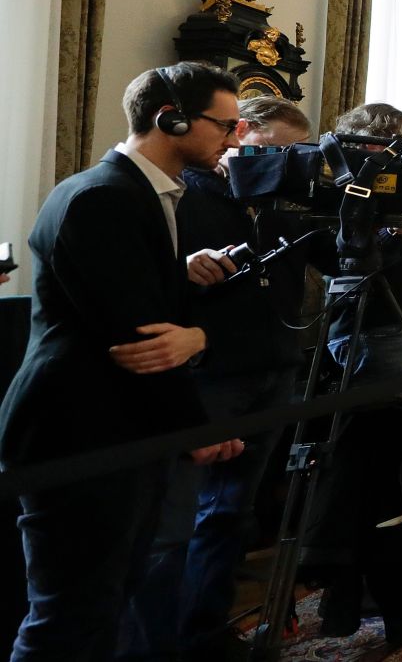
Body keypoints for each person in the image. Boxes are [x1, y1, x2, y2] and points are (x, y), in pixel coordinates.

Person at [1, 62, 245, 661]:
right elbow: (142, 339)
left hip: (118, 428)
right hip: (80, 432)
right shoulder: (102, 197)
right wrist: (199, 420)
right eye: (225, 125)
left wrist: (183, 289)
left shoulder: (143, 191)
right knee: (69, 614)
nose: (235, 139)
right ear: (173, 119)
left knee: (110, 598)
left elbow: (145, 305)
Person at [121, 96, 313, 660]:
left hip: (273, 364)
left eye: (294, 154)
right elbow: (140, 282)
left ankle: (208, 632)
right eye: (276, 150)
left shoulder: (282, 197)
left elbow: (340, 259)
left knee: (233, 514)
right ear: (242, 136)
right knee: (175, 523)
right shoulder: (186, 194)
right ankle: (160, 644)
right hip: (209, 375)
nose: (286, 162)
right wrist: (184, 270)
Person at [304, 102, 402, 646]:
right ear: (366, 146)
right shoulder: (334, 186)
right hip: (376, 328)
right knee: (374, 456)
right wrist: (395, 233)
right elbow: (349, 261)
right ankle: (357, 581)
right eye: (398, 146)